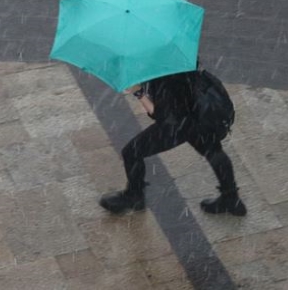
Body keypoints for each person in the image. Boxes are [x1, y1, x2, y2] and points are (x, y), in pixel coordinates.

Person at [99, 66, 247, 216]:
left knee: (131, 152)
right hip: (199, 114)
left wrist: (139, 92)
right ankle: (231, 199)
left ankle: (134, 196)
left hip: (179, 125)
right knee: (214, 152)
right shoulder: (177, 62)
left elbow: (161, 115)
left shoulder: (164, 78)